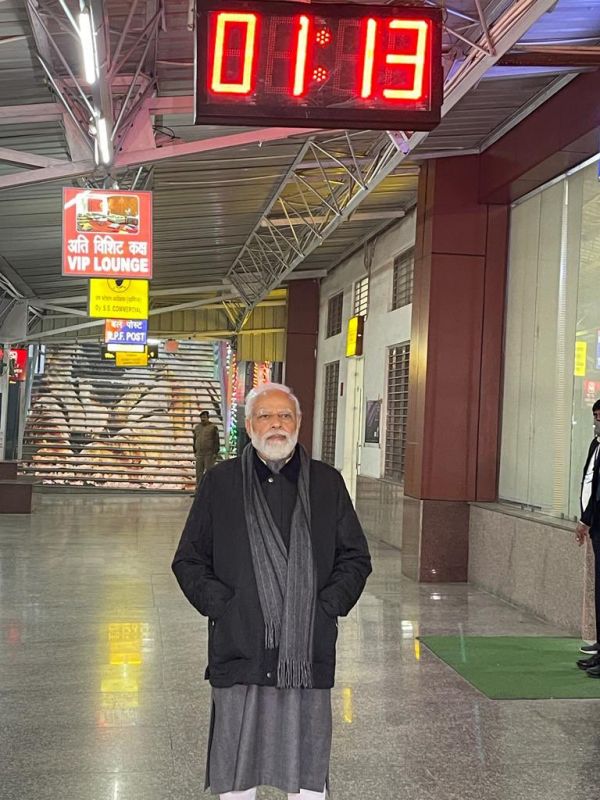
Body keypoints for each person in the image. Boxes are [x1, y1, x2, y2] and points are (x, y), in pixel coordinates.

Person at [172, 382, 372, 798]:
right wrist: (225, 606)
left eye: (285, 416)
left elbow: (355, 557)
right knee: (236, 775)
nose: (276, 424)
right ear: (249, 425)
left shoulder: (326, 483)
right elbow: (188, 559)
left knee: (307, 776)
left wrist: (326, 606)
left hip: (306, 652)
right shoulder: (220, 483)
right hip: (241, 648)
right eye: (265, 416)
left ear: (299, 423)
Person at [576, 399, 600, 677]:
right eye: (594, 416)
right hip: (595, 525)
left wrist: (587, 519)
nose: (596, 421)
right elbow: (588, 482)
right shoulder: (595, 445)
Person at [193, 410, 220, 486]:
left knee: (209, 473)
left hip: (209, 454)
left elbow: (216, 440)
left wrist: (215, 452)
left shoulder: (213, 427)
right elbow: (195, 439)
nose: (203, 419)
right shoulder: (197, 427)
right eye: (202, 417)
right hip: (199, 453)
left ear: (208, 417)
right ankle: (198, 491)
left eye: (204, 417)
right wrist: (194, 450)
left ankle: (209, 490)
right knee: (199, 473)